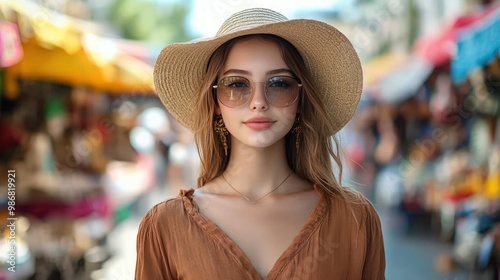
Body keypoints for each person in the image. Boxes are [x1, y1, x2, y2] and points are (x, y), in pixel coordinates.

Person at [135, 8, 385, 279]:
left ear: (301, 99)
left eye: (279, 83)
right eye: (236, 84)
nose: (258, 101)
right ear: (215, 102)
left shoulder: (354, 220)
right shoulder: (165, 226)